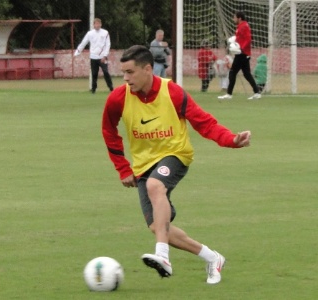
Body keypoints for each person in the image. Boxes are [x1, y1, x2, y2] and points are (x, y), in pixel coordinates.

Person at [102, 45, 252, 284]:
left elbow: (205, 123)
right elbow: (109, 130)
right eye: (123, 73)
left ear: (148, 69)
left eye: (130, 72)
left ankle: (163, 256)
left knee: (154, 186)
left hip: (176, 155)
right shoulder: (118, 98)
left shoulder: (172, 92)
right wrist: (123, 168)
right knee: (158, 226)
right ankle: (213, 258)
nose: (125, 78)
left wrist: (232, 140)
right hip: (143, 165)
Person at [218, 11, 262, 100]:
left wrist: (241, 48)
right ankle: (257, 92)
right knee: (246, 74)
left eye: (234, 17)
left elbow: (248, 39)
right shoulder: (241, 26)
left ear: (239, 18)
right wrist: (234, 41)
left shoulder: (244, 26)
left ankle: (229, 94)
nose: (233, 19)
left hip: (242, 54)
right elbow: (241, 38)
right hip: (242, 53)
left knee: (232, 72)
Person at [74, 18, 114, 94]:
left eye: (99, 24)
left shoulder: (105, 33)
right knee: (94, 73)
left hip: (102, 57)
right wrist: (77, 52)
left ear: (101, 24)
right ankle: (93, 89)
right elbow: (84, 42)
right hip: (93, 57)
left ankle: (111, 87)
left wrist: (105, 55)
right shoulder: (90, 33)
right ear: (93, 25)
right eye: (96, 24)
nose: (97, 25)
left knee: (105, 72)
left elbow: (108, 44)